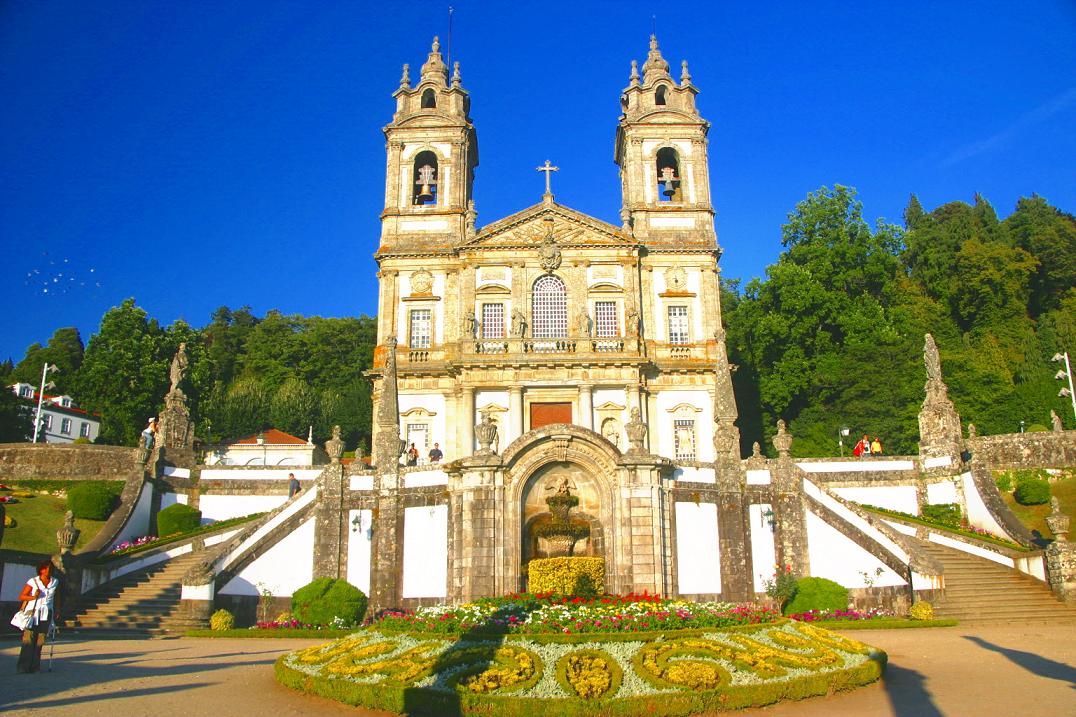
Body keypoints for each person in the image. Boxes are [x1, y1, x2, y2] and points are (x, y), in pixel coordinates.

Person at [16, 560, 60, 674]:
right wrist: (33, 597)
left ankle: (35, 666)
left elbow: (57, 597)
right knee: (28, 640)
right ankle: (23, 666)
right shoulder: (33, 581)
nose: (48, 570)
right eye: (45, 568)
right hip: (33, 612)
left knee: (40, 641)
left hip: (46, 613)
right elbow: (22, 596)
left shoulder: (55, 582)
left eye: (50, 568)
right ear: (41, 569)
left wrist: (57, 610)